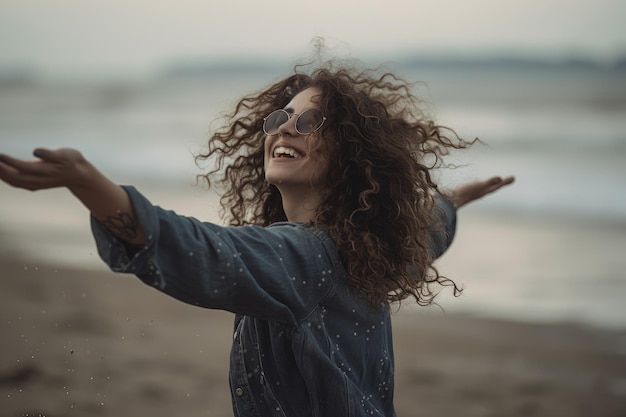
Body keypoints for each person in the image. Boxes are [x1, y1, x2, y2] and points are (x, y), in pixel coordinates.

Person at [0, 59, 513, 417]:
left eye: (310, 121)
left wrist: (88, 183)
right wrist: (451, 201)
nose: (285, 129)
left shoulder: (306, 255)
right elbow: (425, 231)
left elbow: (202, 252)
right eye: (279, 117)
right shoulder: (374, 246)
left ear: (352, 154)